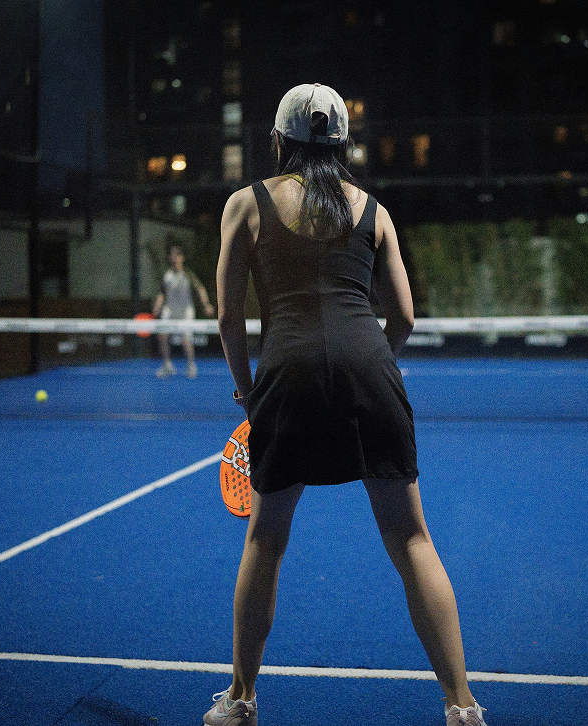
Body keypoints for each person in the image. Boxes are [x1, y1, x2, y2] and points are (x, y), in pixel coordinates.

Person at [211, 83, 487, 726]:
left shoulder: (244, 206)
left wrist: (251, 393)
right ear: (342, 145)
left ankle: (241, 700)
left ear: (278, 142)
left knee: (266, 538)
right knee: (412, 538)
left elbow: (228, 319)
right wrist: (372, 363)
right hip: (372, 373)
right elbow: (407, 317)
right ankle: (462, 707)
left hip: (288, 373)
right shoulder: (375, 209)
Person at [152, 244, 215, 378]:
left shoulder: (188, 274)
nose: (174, 258)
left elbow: (200, 289)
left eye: (177, 255)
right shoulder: (167, 275)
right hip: (169, 310)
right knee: (162, 336)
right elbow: (162, 293)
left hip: (186, 311)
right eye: (172, 255)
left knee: (185, 340)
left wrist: (206, 305)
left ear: (182, 258)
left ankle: (191, 365)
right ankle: (167, 365)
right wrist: (157, 307)